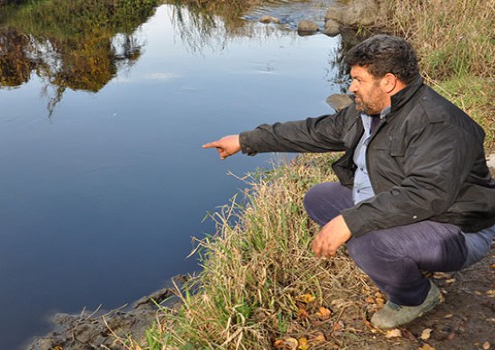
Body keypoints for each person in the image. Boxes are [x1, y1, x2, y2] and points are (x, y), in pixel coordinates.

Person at [203, 34, 495, 330]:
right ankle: (404, 258)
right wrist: (245, 140)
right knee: (320, 198)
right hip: (413, 209)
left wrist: (350, 223)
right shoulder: (368, 111)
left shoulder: (439, 124)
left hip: (458, 228)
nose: (351, 87)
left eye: (358, 79)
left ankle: (416, 296)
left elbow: (426, 194)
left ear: (389, 82)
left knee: (366, 241)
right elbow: (312, 132)